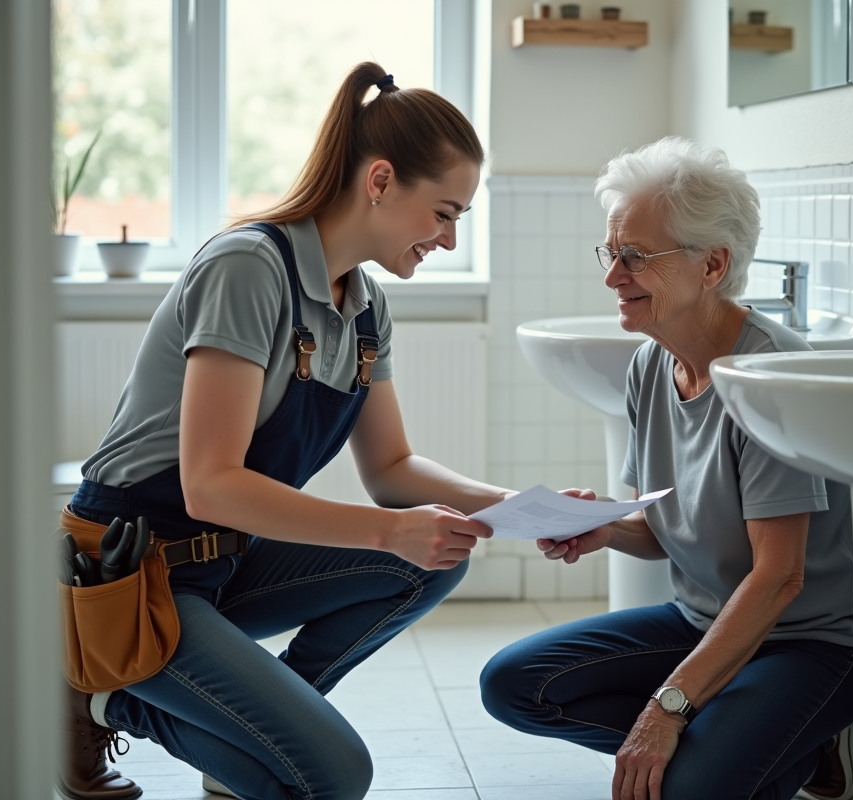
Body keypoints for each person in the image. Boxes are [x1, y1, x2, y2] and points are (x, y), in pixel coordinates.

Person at [58, 62, 514, 800]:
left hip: (224, 565)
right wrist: (386, 532)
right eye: (444, 212)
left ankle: (256, 730)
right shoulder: (249, 267)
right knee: (333, 777)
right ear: (380, 181)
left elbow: (391, 468)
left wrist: (519, 505)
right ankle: (104, 695)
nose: (449, 239)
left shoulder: (364, 305)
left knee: (439, 553)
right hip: (133, 575)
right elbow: (211, 485)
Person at [479, 137, 853, 800]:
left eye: (634, 258)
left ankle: (772, 740)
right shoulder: (651, 364)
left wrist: (667, 710)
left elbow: (780, 578)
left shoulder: (766, 376)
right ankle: (778, 750)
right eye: (611, 253)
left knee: (684, 786)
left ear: (711, 265)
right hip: (700, 619)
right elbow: (661, 531)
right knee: (514, 684)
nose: (611, 277)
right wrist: (603, 526)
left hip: (806, 642)